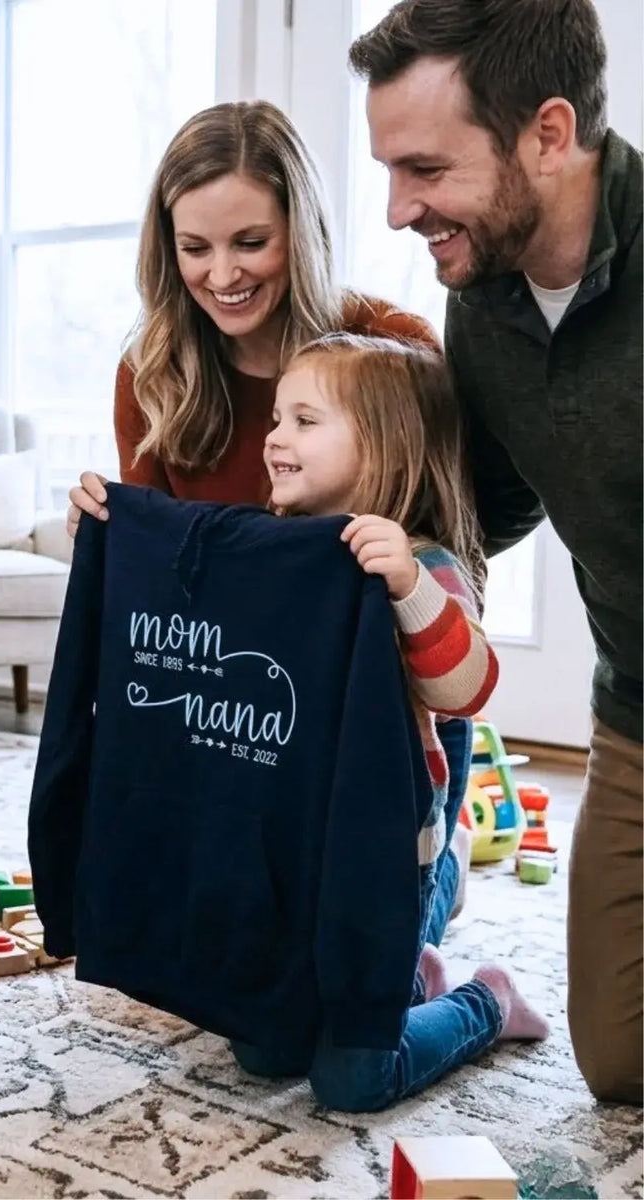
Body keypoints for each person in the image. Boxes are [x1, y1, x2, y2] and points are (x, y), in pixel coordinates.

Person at [66, 99, 474, 941]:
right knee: (256, 1007)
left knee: (355, 980)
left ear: (302, 228)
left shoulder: (394, 349)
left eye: (251, 241)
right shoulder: (153, 374)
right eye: (195, 247)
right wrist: (114, 545)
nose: (222, 274)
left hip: (384, 714)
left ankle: (446, 847)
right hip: (240, 712)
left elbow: (451, 558)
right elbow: (166, 606)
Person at [350, 0, 642, 1105]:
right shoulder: (481, 298)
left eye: (424, 168)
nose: (397, 209)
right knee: (616, 1060)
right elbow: (486, 509)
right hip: (638, 707)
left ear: (549, 134)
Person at [230, 332, 547, 1111]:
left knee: (352, 1081)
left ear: (385, 448)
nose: (275, 437)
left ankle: (484, 1002)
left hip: (384, 853)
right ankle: (412, 978)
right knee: (263, 1048)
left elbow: (465, 687)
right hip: (296, 841)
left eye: (305, 421)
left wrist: (408, 583)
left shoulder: (425, 562)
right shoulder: (280, 548)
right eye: (277, 418)